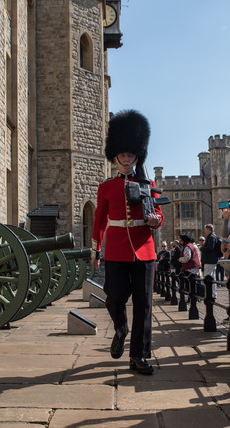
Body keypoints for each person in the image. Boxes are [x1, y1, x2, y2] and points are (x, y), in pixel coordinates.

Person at [91, 110, 163, 376]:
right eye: (123, 154)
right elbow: (99, 220)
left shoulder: (147, 182)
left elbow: (157, 212)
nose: (127, 158)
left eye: (131, 155)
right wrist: (96, 248)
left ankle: (140, 356)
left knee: (144, 305)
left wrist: (156, 220)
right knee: (114, 298)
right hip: (117, 248)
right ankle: (121, 328)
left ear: (137, 155)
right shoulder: (107, 186)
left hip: (144, 249)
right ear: (116, 155)